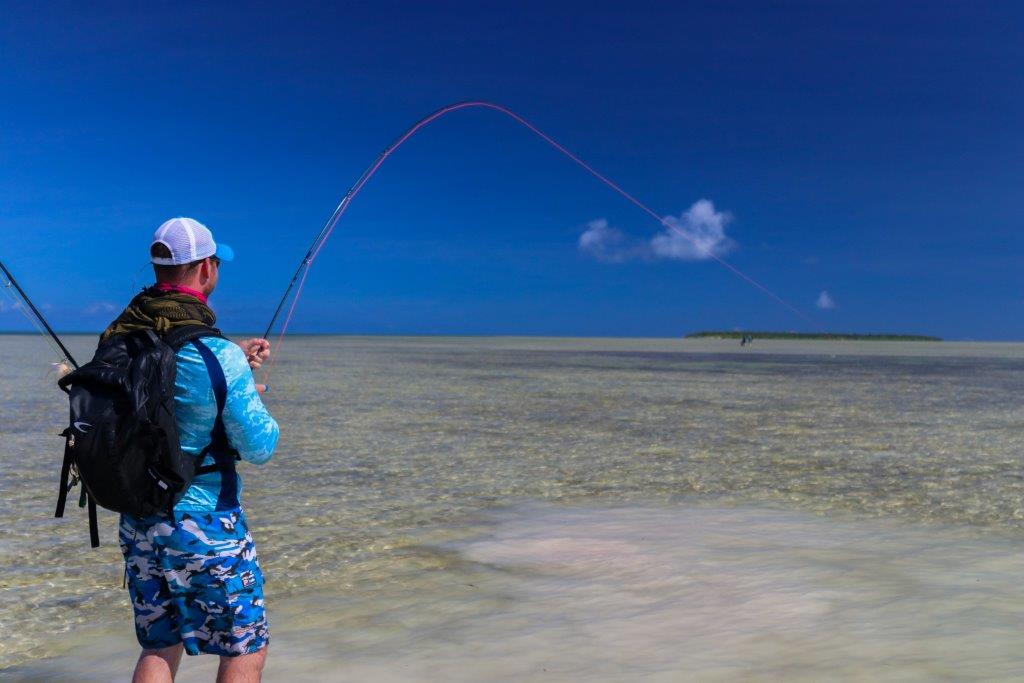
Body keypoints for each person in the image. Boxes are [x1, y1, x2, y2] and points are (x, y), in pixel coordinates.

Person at [104, 217, 279, 683]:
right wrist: (245, 388)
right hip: (203, 521)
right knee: (246, 645)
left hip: (138, 520)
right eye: (216, 262)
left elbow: (165, 389)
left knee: (160, 643)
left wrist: (234, 367)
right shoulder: (214, 355)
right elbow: (260, 446)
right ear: (205, 269)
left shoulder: (122, 336)